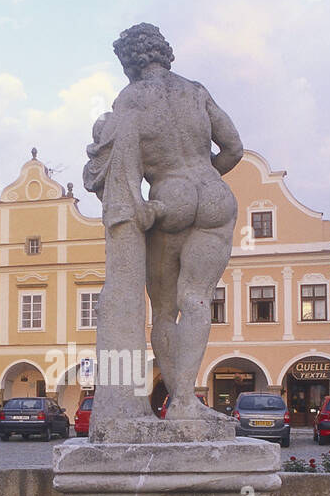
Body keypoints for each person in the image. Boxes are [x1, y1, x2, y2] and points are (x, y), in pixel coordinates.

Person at [84, 23, 243, 423]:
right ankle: (188, 403)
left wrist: (143, 204)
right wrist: (206, 176)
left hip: (169, 199)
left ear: (128, 62)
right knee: (198, 300)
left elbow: (120, 163)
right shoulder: (196, 91)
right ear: (163, 51)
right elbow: (234, 149)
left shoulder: (132, 99)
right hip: (214, 196)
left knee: (165, 311)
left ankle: (181, 399)